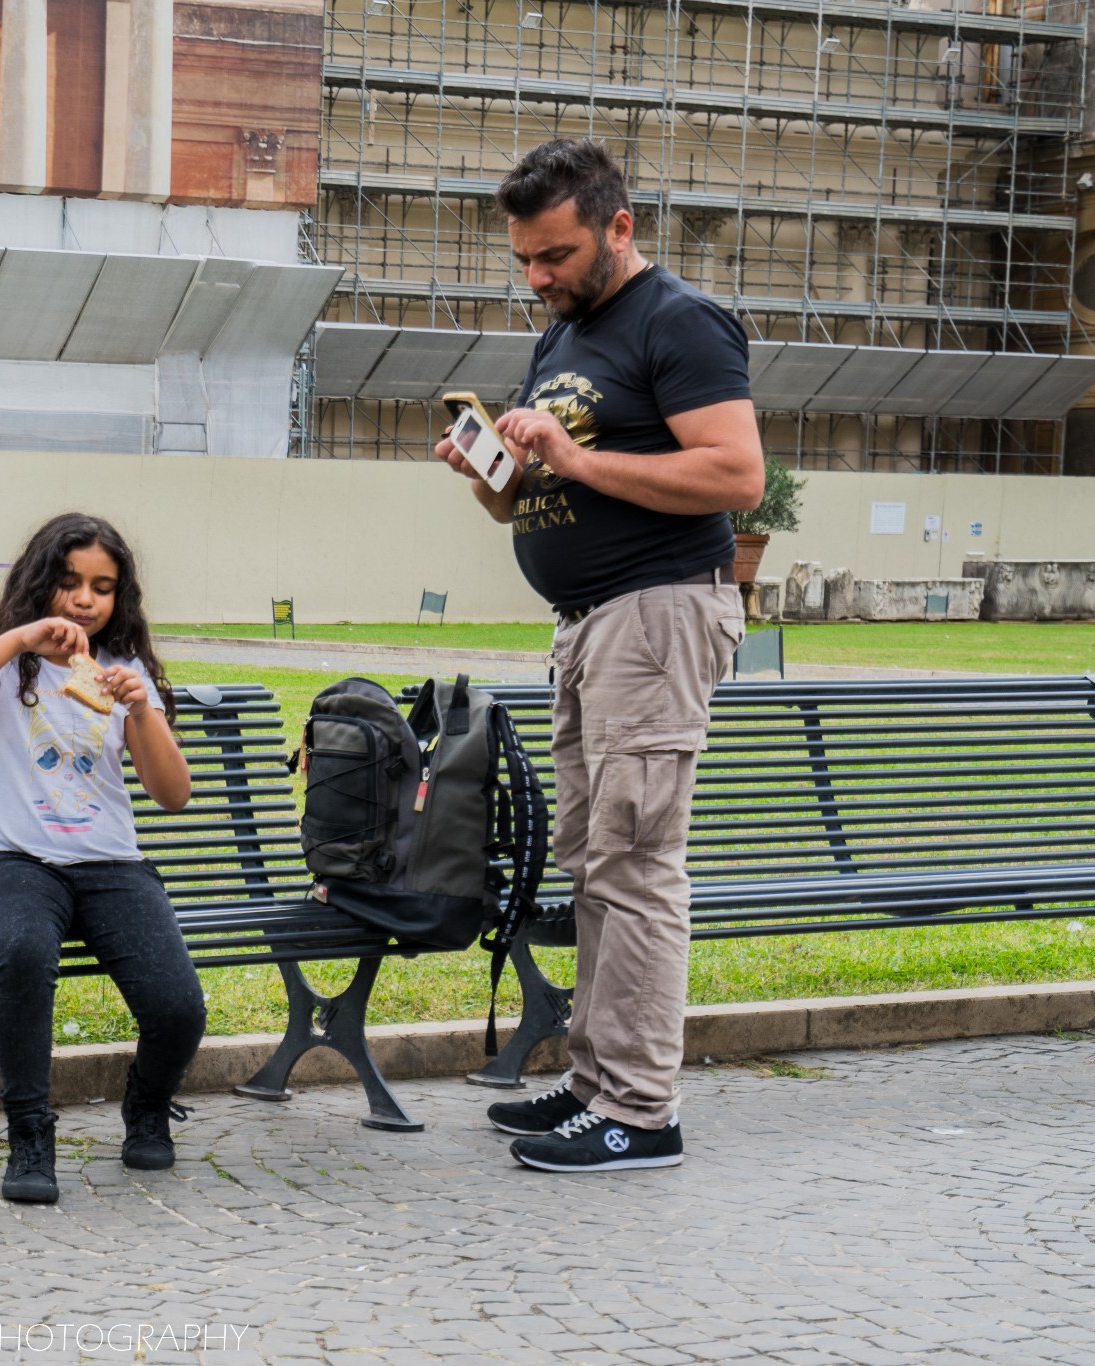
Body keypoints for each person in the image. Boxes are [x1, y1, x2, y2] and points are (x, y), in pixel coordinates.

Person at [435, 139, 763, 1172]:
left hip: (655, 615)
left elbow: (735, 475)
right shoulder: (565, 333)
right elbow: (528, 502)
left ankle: (641, 1110)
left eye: (556, 255)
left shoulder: (680, 320)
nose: (537, 277)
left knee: (636, 864)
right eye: (524, 259)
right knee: (596, 863)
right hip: (586, 623)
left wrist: (575, 456)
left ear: (618, 227)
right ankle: (594, 1085)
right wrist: (490, 474)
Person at [0, 512, 205, 1204]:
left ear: (119, 597)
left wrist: (143, 711)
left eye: (102, 587)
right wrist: (16, 638)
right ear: (39, 582)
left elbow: (172, 795)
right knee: (24, 954)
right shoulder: (3, 661)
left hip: (110, 865)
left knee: (179, 1007)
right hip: (13, 861)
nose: (84, 600)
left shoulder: (126, 671)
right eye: (69, 582)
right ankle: (30, 1134)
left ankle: (147, 1105)